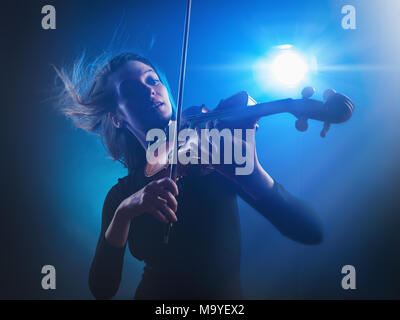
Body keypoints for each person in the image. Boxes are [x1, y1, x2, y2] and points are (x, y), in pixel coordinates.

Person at [55, 52, 323, 300]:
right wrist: (124, 211)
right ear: (116, 118)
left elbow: (310, 231)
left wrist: (254, 175)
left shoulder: (212, 155)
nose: (150, 90)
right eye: (132, 90)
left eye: (153, 81)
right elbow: (102, 289)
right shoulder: (122, 195)